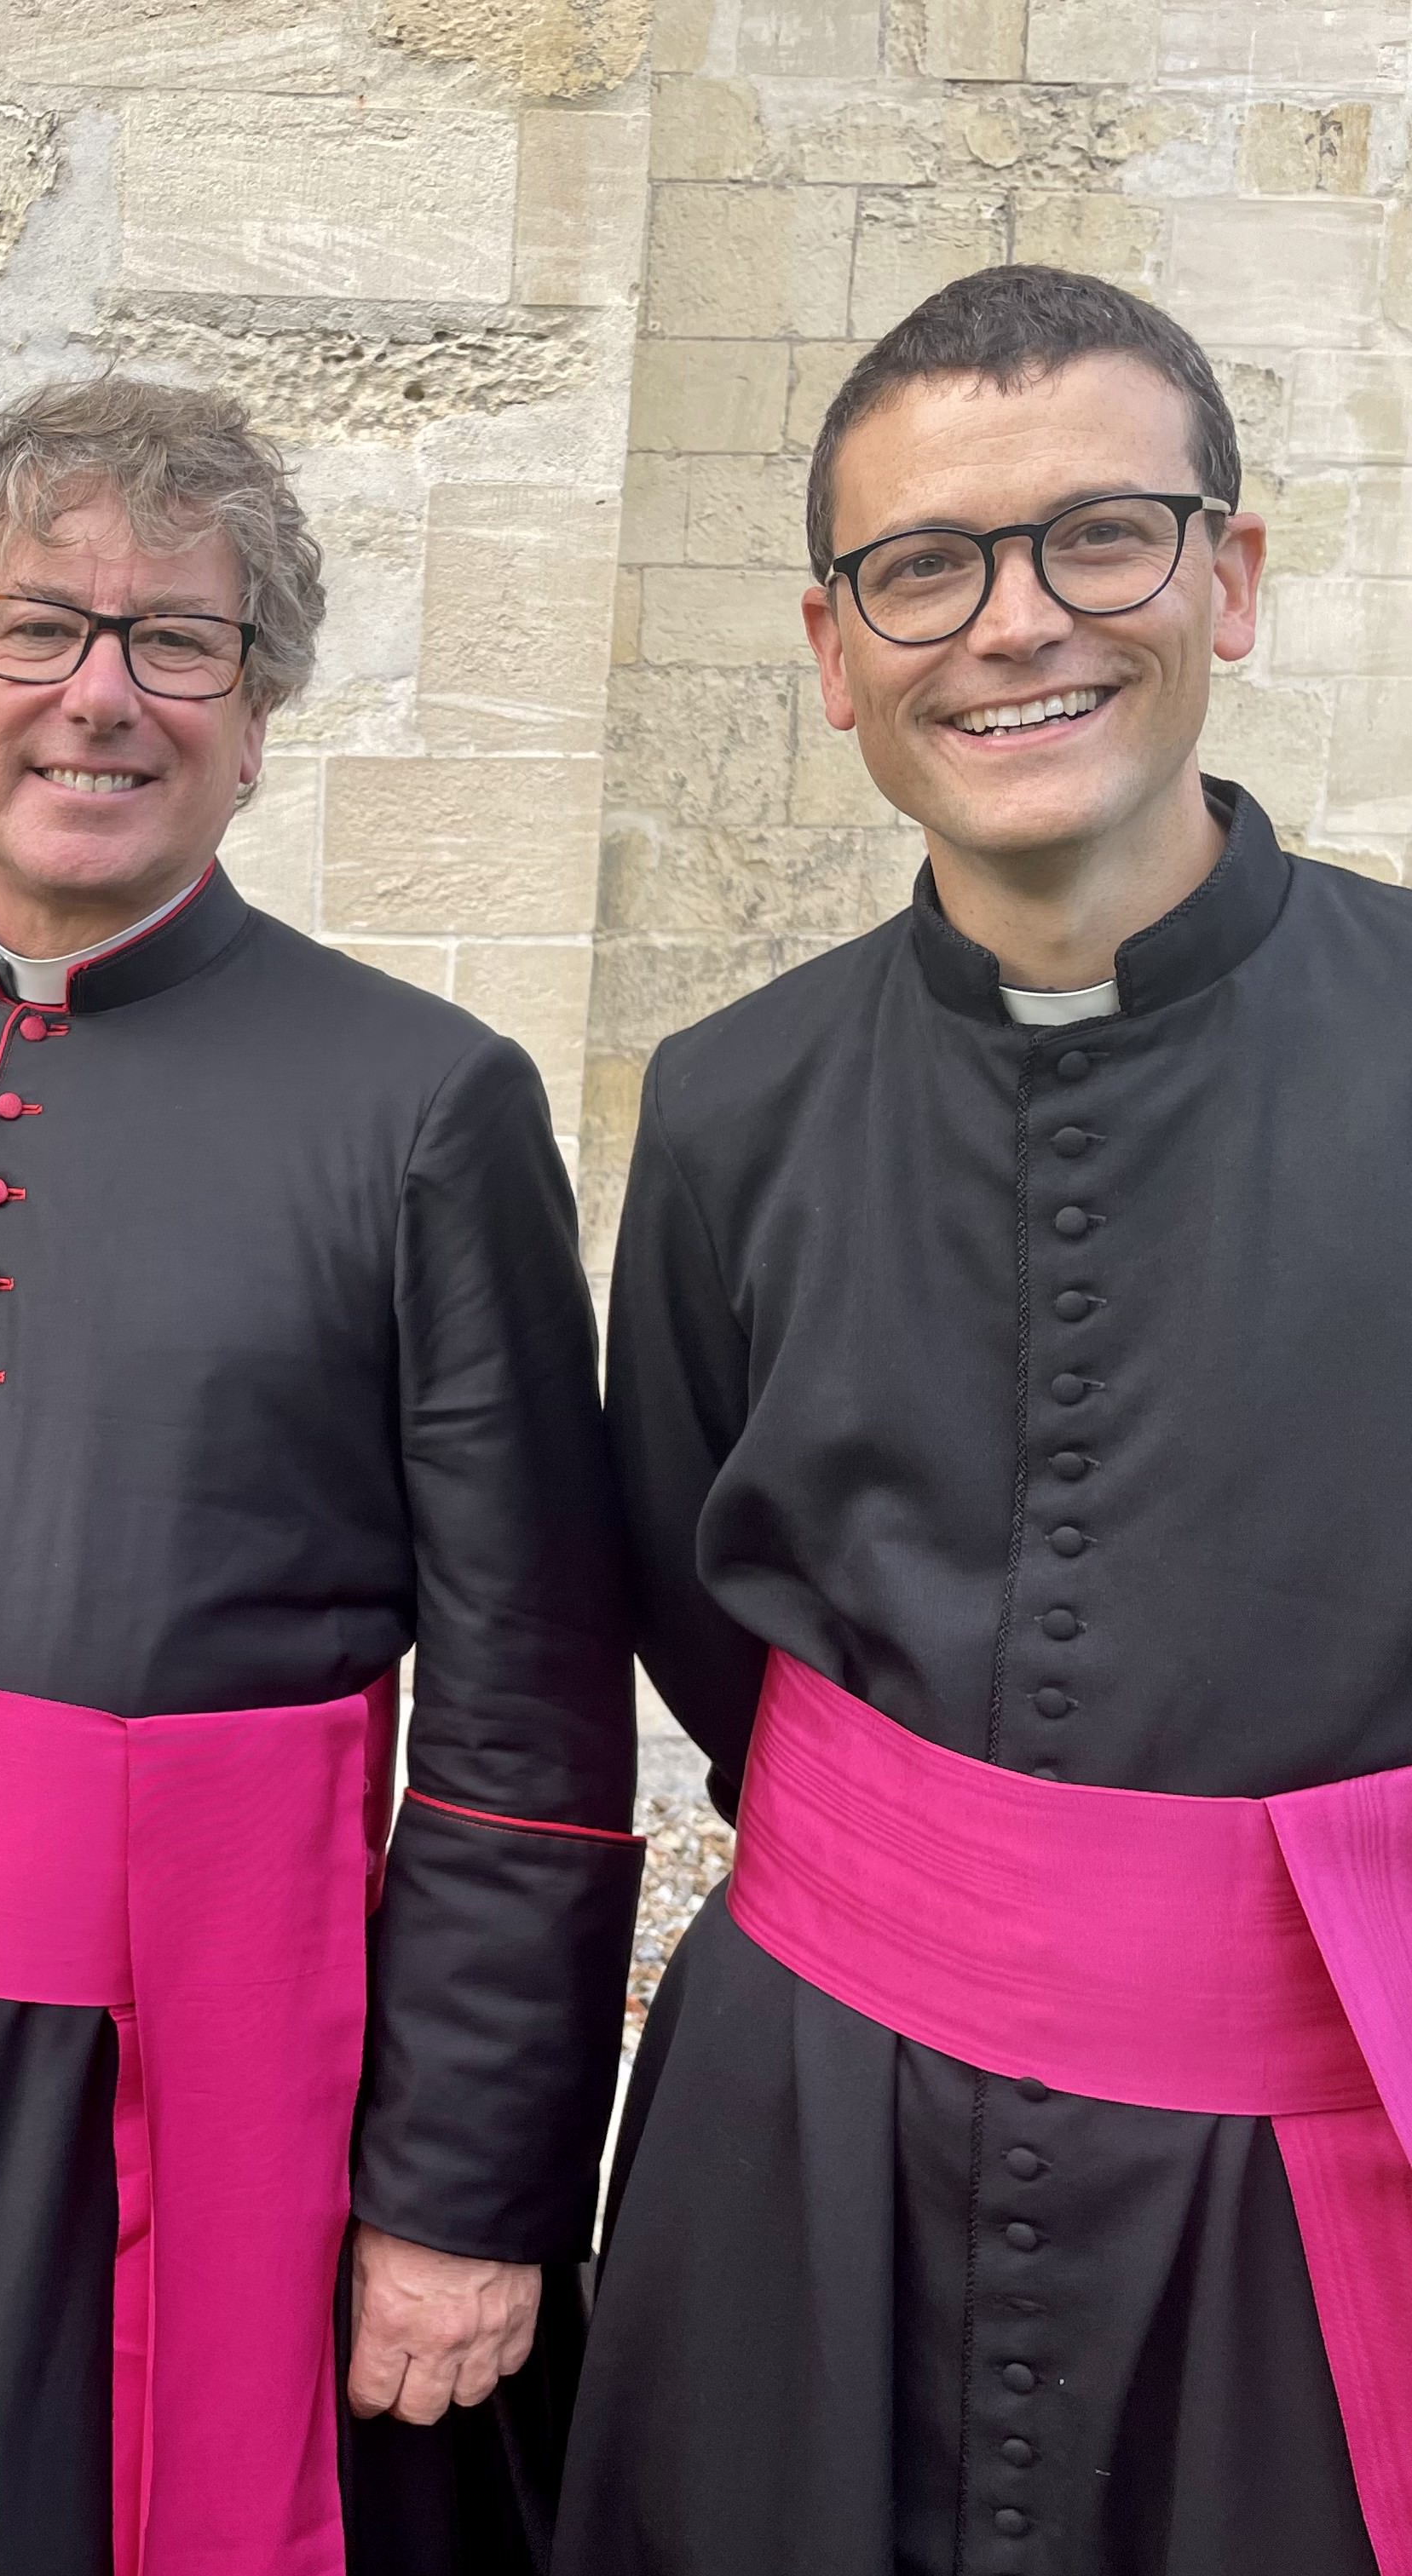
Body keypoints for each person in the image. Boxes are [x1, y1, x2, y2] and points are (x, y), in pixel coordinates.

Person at [0, 374, 643, 2575]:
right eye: (34, 632)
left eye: (178, 643)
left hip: (197, 2067)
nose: (101, 696)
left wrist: (464, 2198)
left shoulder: (424, 1105)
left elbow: (528, 1726)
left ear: (258, 718)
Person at [558, 264, 1412, 2576]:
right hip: (811, 2125)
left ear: (1229, 577)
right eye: (928, 566)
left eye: (1101, 538)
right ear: (837, 660)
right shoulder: (731, 1105)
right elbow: (678, 1581)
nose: (1019, 625)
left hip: (1306, 2159)